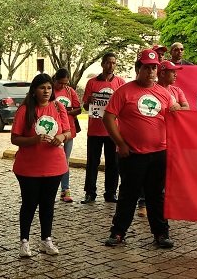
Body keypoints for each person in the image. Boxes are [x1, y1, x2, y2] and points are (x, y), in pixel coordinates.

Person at [102, 48, 177, 249]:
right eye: (146, 67)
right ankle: (118, 232)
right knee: (128, 194)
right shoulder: (124, 92)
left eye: (154, 68)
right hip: (132, 154)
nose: (151, 72)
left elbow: (176, 117)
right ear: (138, 69)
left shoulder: (164, 94)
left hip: (159, 153)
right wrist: (121, 144)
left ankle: (161, 234)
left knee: (156, 196)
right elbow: (108, 117)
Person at [11, 74, 72, 257]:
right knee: (29, 204)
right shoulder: (25, 110)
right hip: (29, 167)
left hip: (54, 165)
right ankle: (24, 241)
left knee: (48, 204)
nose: (46, 91)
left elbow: (67, 131)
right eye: (42, 88)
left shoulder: (58, 107)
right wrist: (33, 140)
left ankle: (46, 239)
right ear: (34, 90)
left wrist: (60, 137)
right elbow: (15, 138)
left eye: (48, 88)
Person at [81, 53, 125, 204]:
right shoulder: (92, 83)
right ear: (102, 64)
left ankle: (111, 193)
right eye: (108, 63)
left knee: (113, 163)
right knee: (92, 163)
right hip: (95, 130)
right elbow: (86, 106)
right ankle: (90, 192)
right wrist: (89, 101)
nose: (110, 66)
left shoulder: (120, 82)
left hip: (113, 131)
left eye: (113, 63)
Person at [51, 68, 81, 202]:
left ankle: (65, 189)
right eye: (60, 83)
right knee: (51, 160)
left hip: (68, 130)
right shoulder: (49, 91)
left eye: (65, 83)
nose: (63, 86)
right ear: (55, 80)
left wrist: (66, 112)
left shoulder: (70, 91)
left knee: (65, 160)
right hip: (53, 131)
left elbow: (79, 108)